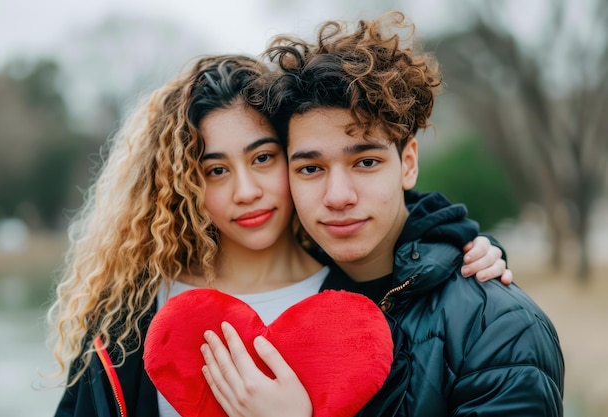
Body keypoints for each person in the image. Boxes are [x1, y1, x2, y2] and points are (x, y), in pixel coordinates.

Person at [47, 53, 510, 416]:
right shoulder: (129, 319)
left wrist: (456, 243)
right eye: (215, 169)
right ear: (183, 183)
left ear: (294, 158)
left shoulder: (366, 294)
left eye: (262, 158)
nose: (246, 191)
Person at [200, 11, 564, 417]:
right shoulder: (289, 307)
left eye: (366, 162)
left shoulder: (499, 328)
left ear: (408, 164)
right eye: (311, 169)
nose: (338, 196)